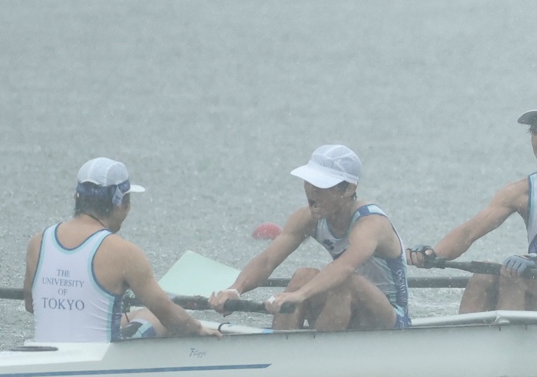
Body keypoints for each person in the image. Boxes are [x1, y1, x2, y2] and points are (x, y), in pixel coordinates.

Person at [412, 100, 537, 313]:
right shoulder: (520, 191)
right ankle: (465, 332)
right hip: (536, 285)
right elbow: (469, 232)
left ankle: (506, 329)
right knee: (484, 274)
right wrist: (433, 254)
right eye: (536, 132)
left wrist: (535, 260)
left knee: (516, 277)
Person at [211, 144, 411, 329]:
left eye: (322, 185)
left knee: (346, 282)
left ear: (350, 188)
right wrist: (235, 290)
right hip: (346, 308)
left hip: (389, 317)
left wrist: (301, 295)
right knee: (303, 275)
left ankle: (319, 350)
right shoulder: (306, 218)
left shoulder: (370, 224)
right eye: (309, 181)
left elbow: (345, 267)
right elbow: (267, 260)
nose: (312, 191)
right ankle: (281, 346)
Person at [22, 158, 215, 342]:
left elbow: (31, 305)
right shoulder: (124, 253)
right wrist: (199, 330)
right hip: (100, 357)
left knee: (141, 313)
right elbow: (170, 317)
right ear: (123, 203)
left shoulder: (38, 242)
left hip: (43, 349)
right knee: (156, 315)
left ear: (76, 198)